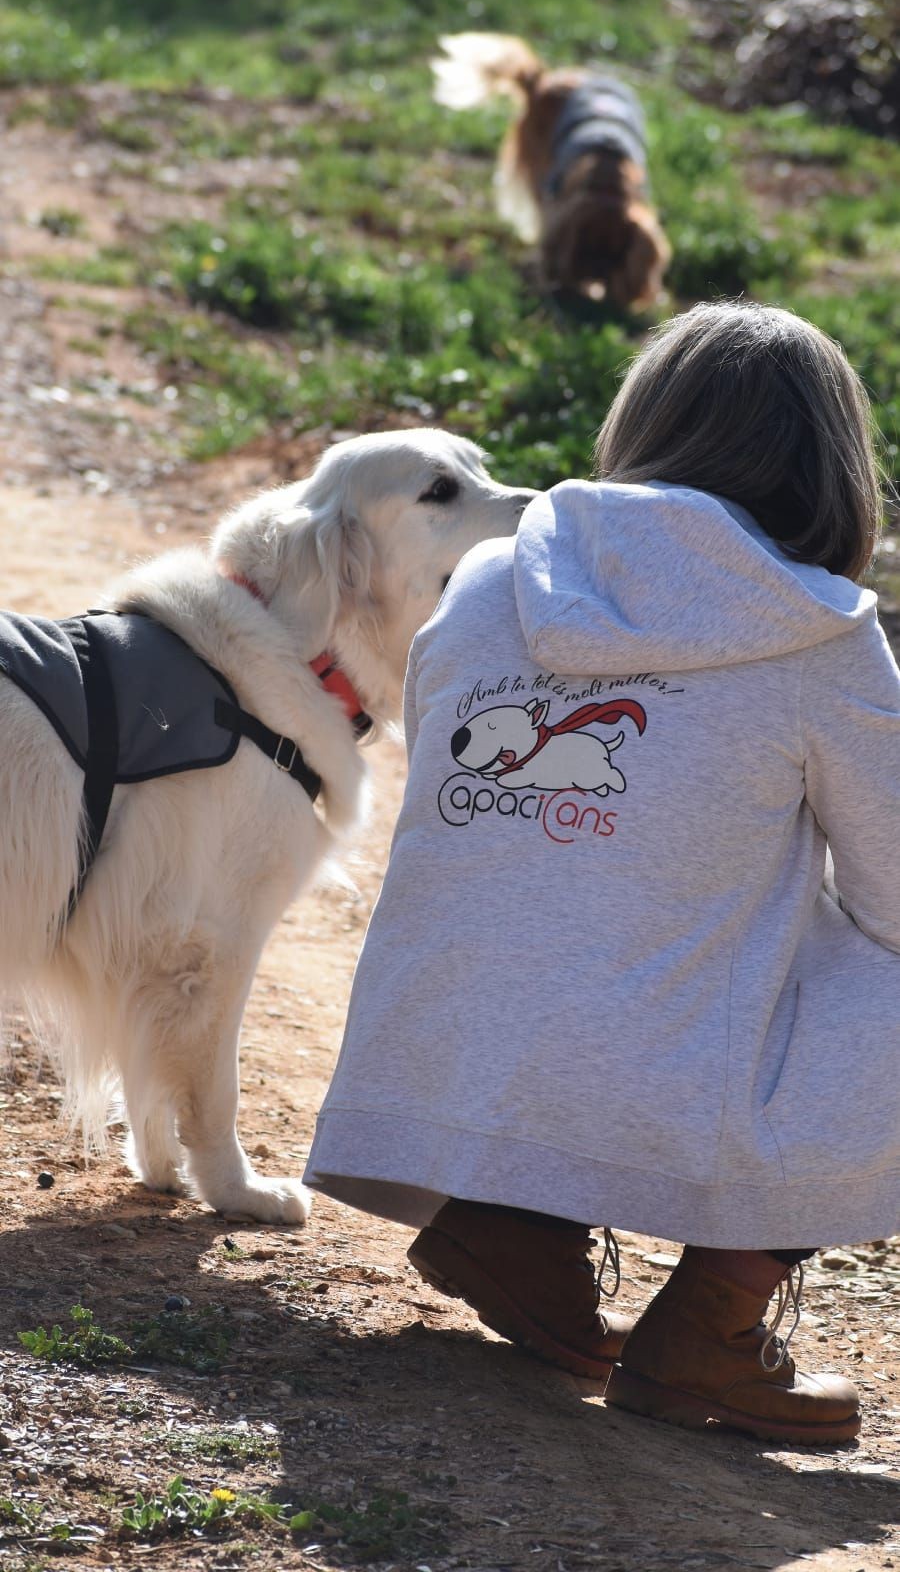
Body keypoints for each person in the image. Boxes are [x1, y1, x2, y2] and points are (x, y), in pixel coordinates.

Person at [304, 301, 900, 1446]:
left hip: (436, 1072)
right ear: (833, 463)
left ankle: (514, 1221)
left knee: (584, 887)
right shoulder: (822, 631)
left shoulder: (487, 582)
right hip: (644, 1091)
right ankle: (713, 1323)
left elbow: (496, 834)